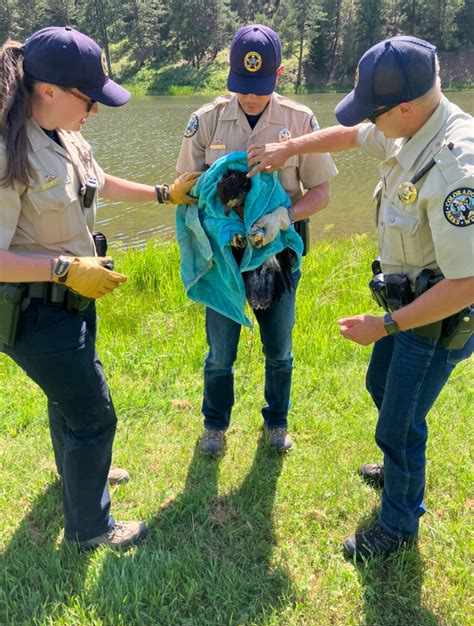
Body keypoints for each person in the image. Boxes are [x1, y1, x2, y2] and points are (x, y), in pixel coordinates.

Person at [248, 35, 474, 559]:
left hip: (436, 317)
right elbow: (351, 135)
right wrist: (289, 148)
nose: (371, 123)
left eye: (378, 112)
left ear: (406, 107)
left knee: (400, 420)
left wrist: (386, 327)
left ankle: (397, 526)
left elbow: (466, 283)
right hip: (408, 301)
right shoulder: (409, 126)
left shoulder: (454, 169)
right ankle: (400, 463)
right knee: (382, 386)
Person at [0, 26, 198, 550]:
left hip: (70, 300)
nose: (94, 110)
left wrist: (162, 194)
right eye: (87, 99)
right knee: (93, 413)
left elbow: (98, 180)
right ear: (47, 91)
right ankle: (91, 529)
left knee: (67, 397)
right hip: (34, 310)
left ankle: (79, 473)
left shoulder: (64, 132)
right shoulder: (7, 149)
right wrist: (64, 269)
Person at [176, 24, 337, 455]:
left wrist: (285, 214)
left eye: (260, 88)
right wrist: (219, 209)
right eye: (242, 87)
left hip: (278, 253)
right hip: (223, 258)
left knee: (280, 349)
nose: (250, 97)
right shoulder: (205, 120)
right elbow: (184, 187)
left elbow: (320, 192)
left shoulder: (301, 121)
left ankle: (277, 422)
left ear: (279, 74)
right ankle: (214, 425)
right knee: (220, 352)